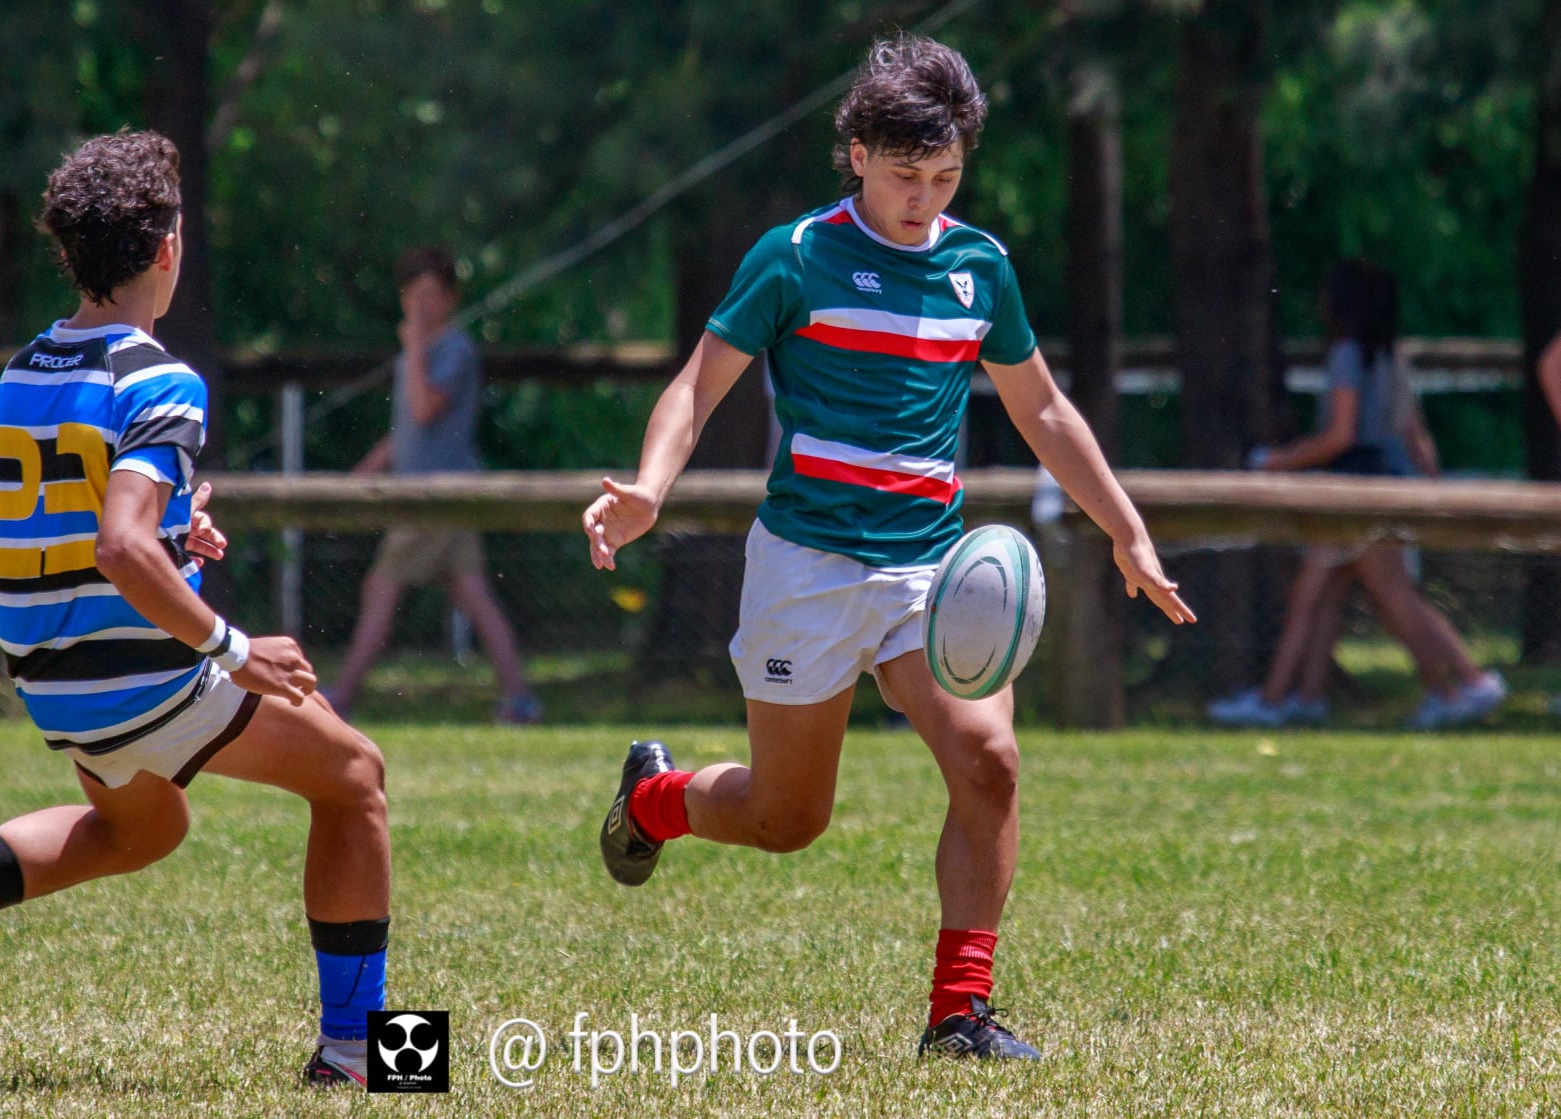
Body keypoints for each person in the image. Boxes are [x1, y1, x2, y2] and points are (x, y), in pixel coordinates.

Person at [580, 35, 1194, 1061]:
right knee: (788, 820)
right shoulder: (794, 257)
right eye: (906, 174)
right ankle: (653, 798)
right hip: (806, 568)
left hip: (928, 574)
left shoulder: (978, 268)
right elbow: (696, 385)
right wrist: (650, 486)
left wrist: (1126, 531)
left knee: (990, 763)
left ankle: (958, 1014)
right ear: (857, 152)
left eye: (945, 176)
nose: (925, 196)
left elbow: (1043, 412)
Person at [0, 132, 391, 1088]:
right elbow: (116, 545)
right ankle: (366, 1056)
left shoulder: (26, 368)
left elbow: (72, 528)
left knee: (141, 831)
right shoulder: (162, 376)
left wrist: (171, 534)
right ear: (165, 246)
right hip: (139, 676)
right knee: (356, 775)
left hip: (54, 677)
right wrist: (232, 645)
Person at [1210, 261, 1506, 730]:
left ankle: (1470, 683)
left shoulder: (1348, 354)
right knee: (1319, 597)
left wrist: (1275, 461)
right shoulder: (1392, 357)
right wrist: (1434, 490)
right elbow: (1414, 433)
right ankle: (1304, 696)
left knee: (1383, 598)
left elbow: (1340, 436)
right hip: (1386, 483)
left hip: (1353, 489)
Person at [328, 247, 540, 724]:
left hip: (437, 496)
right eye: (412, 295)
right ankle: (520, 698)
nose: (420, 305)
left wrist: (417, 349)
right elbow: (409, 427)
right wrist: (371, 465)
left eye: (430, 294)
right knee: (474, 596)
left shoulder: (453, 350)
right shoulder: (419, 354)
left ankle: (342, 695)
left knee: (380, 586)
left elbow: (425, 408)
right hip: (426, 494)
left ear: (449, 298)